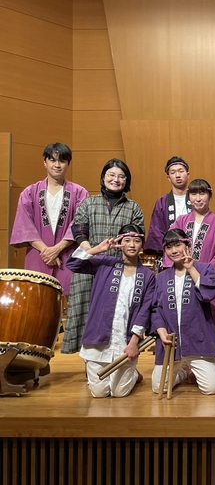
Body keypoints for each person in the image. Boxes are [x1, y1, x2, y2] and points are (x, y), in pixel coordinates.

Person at [63, 159, 144, 354]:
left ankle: (119, 361)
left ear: (127, 180)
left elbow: (138, 237)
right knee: (85, 312)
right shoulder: (88, 203)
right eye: (111, 175)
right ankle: (90, 361)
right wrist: (91, 250)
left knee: (116, 313)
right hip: (88, 267)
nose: (116, 180)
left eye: (121, 176)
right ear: (103, 177)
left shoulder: (133, 208)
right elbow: (79, 229)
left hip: (119, 268)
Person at [66, 224, 154, 398]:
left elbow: (145, 310)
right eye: (127, 240)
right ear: (119, 243)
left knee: (119, 393)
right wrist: (98, 249)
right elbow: (73, 263)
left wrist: (134, 342)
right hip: (98, 339)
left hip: (125, 342)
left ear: (142, 245)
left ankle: (133, 375)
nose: (132, 245)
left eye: (137, 241)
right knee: (99, 393)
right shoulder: (105, 263)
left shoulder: (147, 275)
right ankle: (128, 374)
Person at [166, 178, 215, 356]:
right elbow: (170, 247)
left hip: (208, 278)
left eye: (202, 193)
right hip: (182, 277)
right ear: (189, 197)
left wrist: (204, 270)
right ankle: (187, 359)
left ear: (209, 195)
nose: (198, 198)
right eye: (193, 194)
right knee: (185, 315)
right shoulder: (181, 222)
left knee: (211, 318)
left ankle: (213, 357)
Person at [151, 229, 215, 396]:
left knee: (211, 389)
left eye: (178, 245)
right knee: (158, 387)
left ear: (187, 245)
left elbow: (208, 294)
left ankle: (196, 367)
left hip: (197, 341)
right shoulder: (162, 277)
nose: (174, 251)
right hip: (171, 345)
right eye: (169, 247)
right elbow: (156, 308)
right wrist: (161, 332)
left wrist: (191, 269)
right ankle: (183, 372)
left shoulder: (205, 269)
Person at [10, 143, 89, 294]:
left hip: (68, 255)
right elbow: (24, 226)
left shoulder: (80, 193)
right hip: (38, 255)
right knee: (36, 302)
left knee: (66, 304)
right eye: (52, 160)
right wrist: (47, 251)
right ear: (44, 162)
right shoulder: (29, 192)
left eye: (62, 161)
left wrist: (57, 249)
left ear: (68, 164)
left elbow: (80, 223)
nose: (57, 165)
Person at [144, 156, 191, 255]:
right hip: (170, 253)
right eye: (173, 172)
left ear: (188, 174)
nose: (177, 175)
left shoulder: (197, 199)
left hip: (193, 252)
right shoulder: (161, 202)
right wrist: (171, 250)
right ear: (169, 178)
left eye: (181, 171)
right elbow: (156, 231)